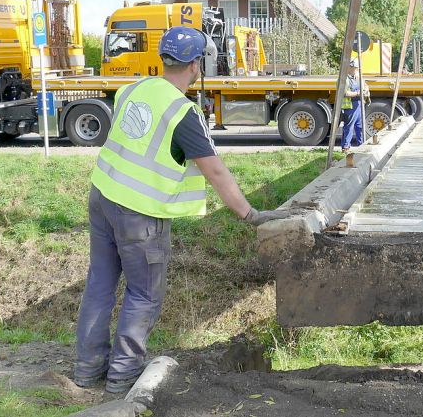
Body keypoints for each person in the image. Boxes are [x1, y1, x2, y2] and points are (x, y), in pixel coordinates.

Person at [74, 26, 285, 393]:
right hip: (139, 213)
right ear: (195, 65)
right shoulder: (182, 113)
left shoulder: (133, 89)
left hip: (102, 195)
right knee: (143, 294)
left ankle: (87, 371)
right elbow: (215, 171)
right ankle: (122, 376)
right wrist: (250, 215)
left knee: (100, 285)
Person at [340, 59, 368, 152]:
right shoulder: (344, 79)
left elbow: (365, 86)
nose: (356, 70)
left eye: (357, 69)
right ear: (349, 67)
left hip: (359, 105)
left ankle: (362, 146)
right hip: (350, 106)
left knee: (359, 127)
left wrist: (366, 90)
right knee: (349, 128)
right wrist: (357, 93)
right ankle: (345, 148)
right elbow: (345, 93)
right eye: (355, 68)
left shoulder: (357, 77)